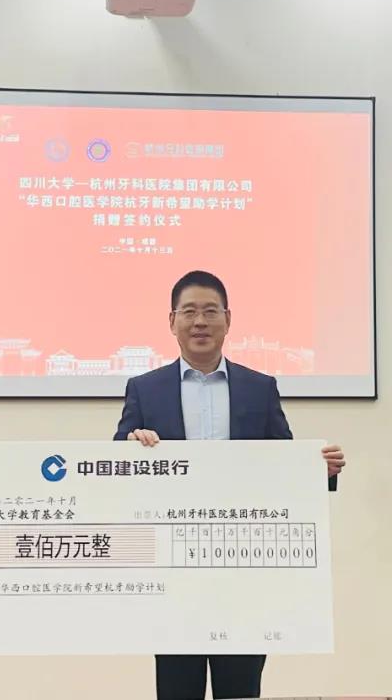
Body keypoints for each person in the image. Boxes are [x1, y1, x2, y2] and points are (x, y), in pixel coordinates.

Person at [114, 270, 347, 700]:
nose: (200, 322)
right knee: (177, 688)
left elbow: (282, 462)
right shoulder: (145, 389)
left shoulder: (260, 388)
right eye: (189, 312)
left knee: (240, 689)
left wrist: (319, 472)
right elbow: (115, 468)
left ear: (228, 319)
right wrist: (132, 448)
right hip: (174, 567)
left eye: (210, 311)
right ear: (172, 321)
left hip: (243, 564)